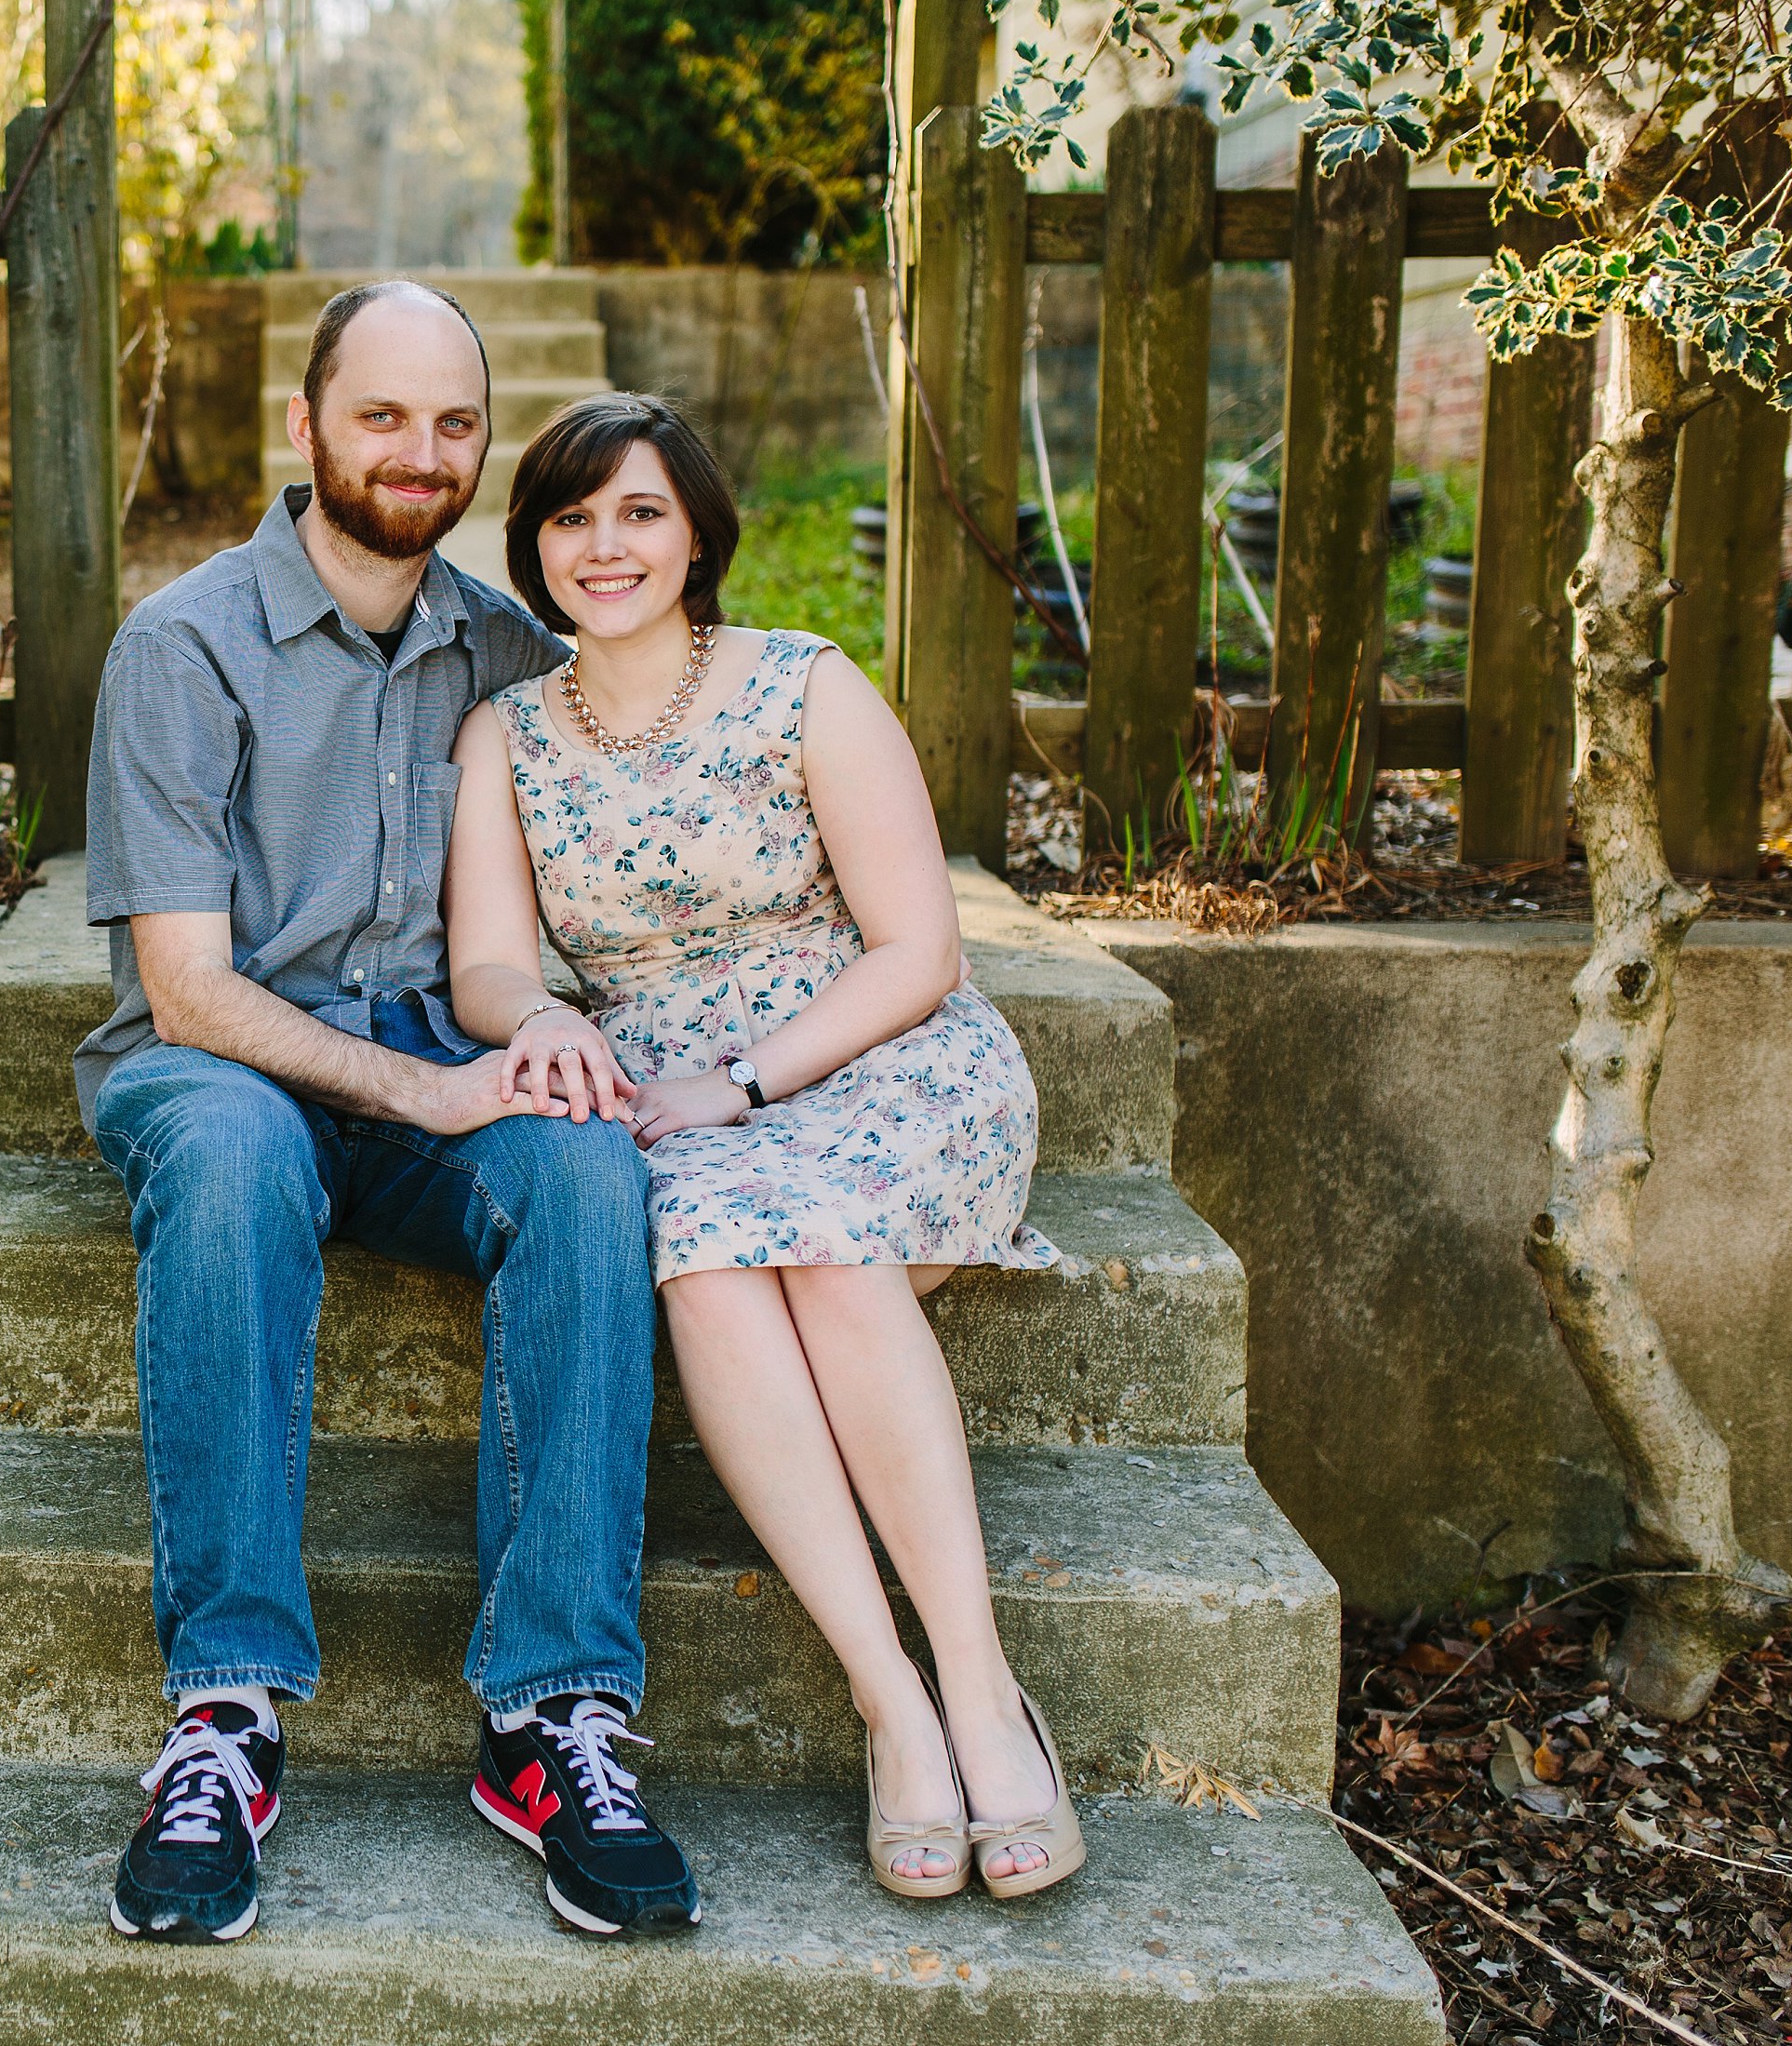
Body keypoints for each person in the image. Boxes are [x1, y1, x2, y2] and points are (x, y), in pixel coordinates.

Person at [79, 284, 703, 1946]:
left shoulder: (506, 654)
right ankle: (226, 1711)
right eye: (382, 416)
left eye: (451, 424)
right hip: (218, 1072)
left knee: (580, 1165)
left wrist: (554, 1036)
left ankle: (553, 1715)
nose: (418, 455)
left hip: (443, 1067)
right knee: (225, 1156)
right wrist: (426, 1083)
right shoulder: (180, 646)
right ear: (308, 426)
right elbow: (193, 990)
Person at [444, 392, 1087, 1902]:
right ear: (535, 549)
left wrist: (747, 1075)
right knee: (718, 1270)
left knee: (832, 1262)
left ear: (698, 532)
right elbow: (485, 964)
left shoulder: (804, 686)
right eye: (572, 517)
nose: (607, 545)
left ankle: (987, 1695)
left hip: (874, 1056)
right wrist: (545, 1015)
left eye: (641, 512)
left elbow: (918, 946)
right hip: (663, 1090)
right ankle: (893, 1704)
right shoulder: (506, 734)